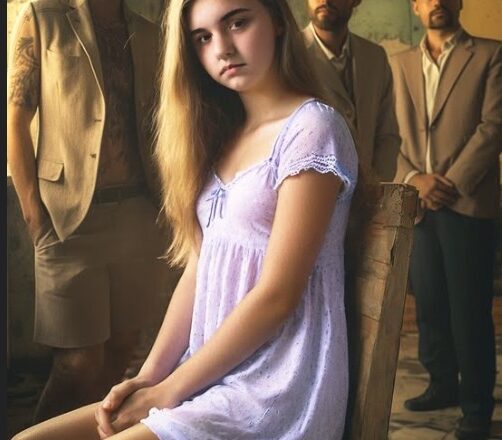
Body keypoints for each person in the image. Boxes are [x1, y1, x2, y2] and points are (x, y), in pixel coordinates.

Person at [12, 0, 359, 438]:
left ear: (275, 19)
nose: (222, 48)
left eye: (238, 22)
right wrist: (150, 378)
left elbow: (278, 295)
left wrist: (169, 390)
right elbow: (199, 267)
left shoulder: (312, 128)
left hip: (272, 388)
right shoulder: (224, 134)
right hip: (204, 374)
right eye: (203, 38)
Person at [7, 0, 170, 423]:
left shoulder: (147, 31)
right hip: (67, 220)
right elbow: (15, 120)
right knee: (77, 363)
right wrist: (35, 217)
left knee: (123, 353)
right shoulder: (42, 16)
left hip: (138, 213)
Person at [390, 0, 501, 438]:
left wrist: (448, 183)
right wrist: (414, 180)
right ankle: (441, 385)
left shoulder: (491, 54)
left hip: (466, 203)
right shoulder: (397, 63)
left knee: (469, 309)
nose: (436, 2)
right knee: (430, 303)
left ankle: (476, 407)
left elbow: (493, 126)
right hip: (416, 205)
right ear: (416, 7)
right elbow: (388, 133)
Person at [303, 0, 400, 181]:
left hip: (369, 190)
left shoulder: (375, 56)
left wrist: (375, 184)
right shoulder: (290, 54)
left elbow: (387, 134)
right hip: (313, 190)